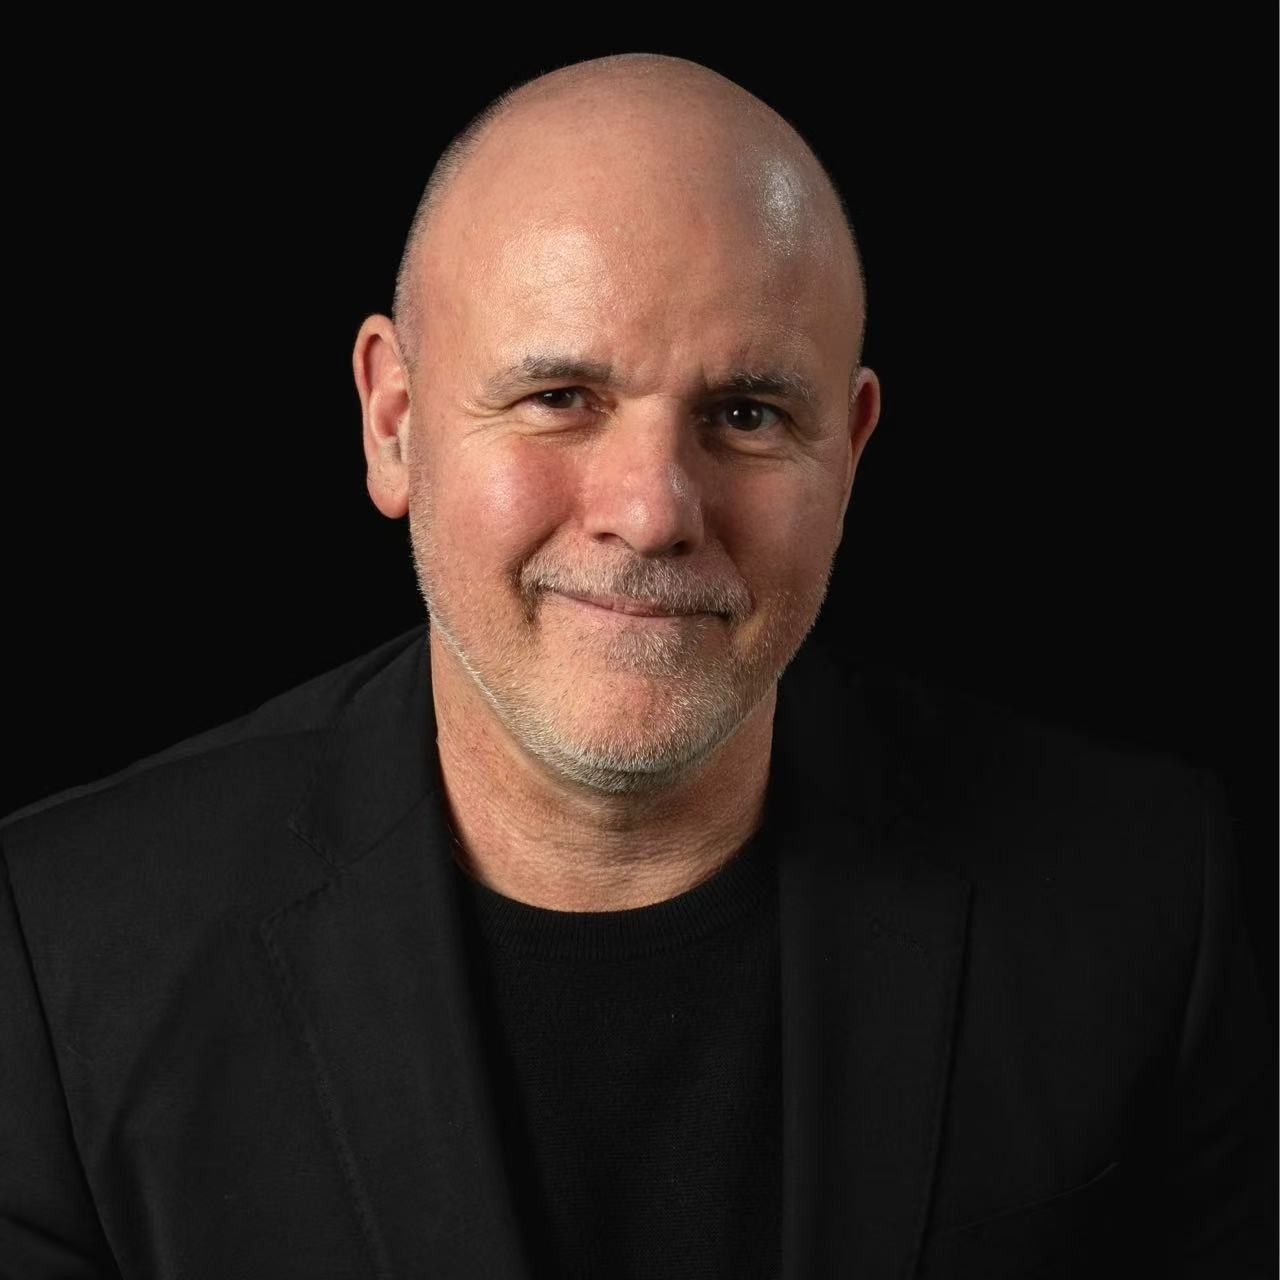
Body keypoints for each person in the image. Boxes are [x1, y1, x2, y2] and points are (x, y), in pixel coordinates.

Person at [0, 52, 1270, 1280]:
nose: (654, 510)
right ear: (393, 421)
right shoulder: (62, 956)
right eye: (559, 395)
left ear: (848, 454)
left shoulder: (1143, 898)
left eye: (746, 414)